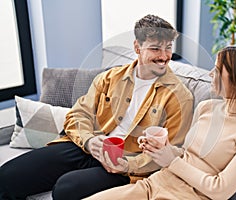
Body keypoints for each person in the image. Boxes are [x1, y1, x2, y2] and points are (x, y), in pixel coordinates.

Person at [0, 14, 193, 200]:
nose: (164, 56)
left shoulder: (180, 97)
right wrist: (90, 142)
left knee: (66, 189)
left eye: (168, 48)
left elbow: (171, 152)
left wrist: (127, 165)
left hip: (125, 163)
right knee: (7, 177)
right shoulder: (110, 78)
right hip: (88, 146)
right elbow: (77, 115)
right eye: (155, 49)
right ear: (137, 47)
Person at [84, 46, 236, 200]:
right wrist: (160, 149)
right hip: (153, 185)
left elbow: (220, 190)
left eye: (217, 70)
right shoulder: (206, 107)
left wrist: (171, 161)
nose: (210, 74)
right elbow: (186, 154)